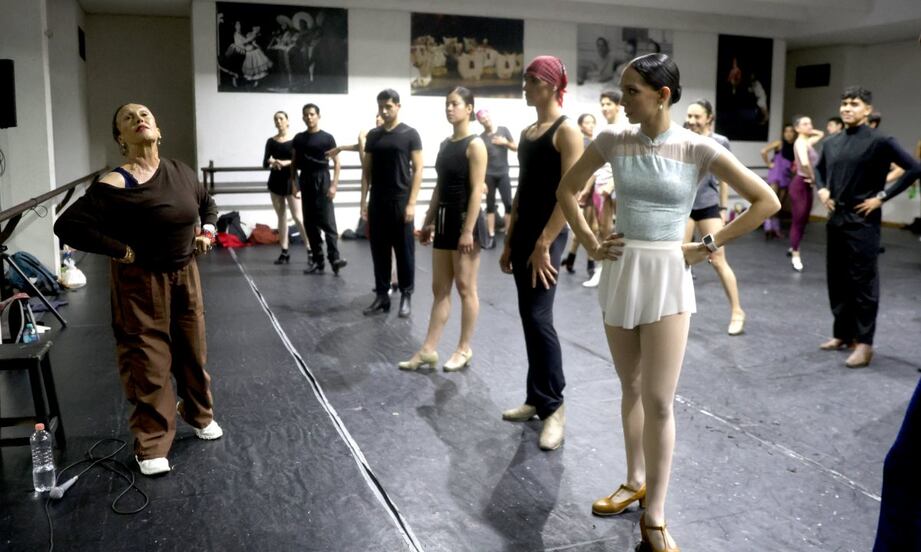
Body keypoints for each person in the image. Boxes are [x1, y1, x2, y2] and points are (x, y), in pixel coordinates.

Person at [556, 54, 779, 551]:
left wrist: (708, 246)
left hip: (668, 273)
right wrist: (591, 243)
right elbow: (567, 189)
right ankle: (635, 479)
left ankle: (654, 514)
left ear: (663, 95)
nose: (621, 99)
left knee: (659, 399)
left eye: (631, 91)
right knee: (629, 386)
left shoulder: (696, 146)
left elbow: (767, 200)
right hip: (621, 267)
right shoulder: (613, 139)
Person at [54, 103, 224, 476]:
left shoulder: (179, 171)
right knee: (148, 360)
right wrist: (121, 250)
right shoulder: (116, 183)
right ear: (121, 138)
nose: (139, 119)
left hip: (185, 274)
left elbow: (208, 205)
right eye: (128, 119)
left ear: (157, 129)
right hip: (142, 281)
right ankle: (151, 443)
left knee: (193, 351)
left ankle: (197, 414)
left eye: (145, 114)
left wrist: (206, 231)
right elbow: (68, 225)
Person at [499, 55, 583, 452]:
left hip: (548, 236)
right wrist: (510, 238)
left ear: (550, 85)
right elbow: (522, 190)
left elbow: (572, 195)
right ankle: (536, 398)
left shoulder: (567, 132)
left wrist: (544, 243)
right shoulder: (529, 131)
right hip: (525, 236)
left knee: (538, 316)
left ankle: (554, 406)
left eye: (531, 80)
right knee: (528, 318)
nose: (525, 86)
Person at [814, 86, 921, 368]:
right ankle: (842, 334)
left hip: (863, 222)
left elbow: (914, 168)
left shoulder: (880, 140)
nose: (847, 108)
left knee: (863, 284)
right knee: (837, 280)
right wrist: (822, 190)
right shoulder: (832, 142)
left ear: (867, 110)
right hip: (836, 219)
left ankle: (864, 344)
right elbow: (819, 169)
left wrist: (881, 197)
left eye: (855, 104)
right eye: (845, 103)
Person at [398, 87, 487, 372]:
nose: (449, 108)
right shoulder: (445, 144)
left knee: (465, 288)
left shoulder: (476, 145)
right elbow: (439, 186)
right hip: (446, 221)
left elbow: (476, 192)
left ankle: (464, 348)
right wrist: (428, 221)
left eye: (455, 104)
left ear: (469, 108)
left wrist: (468, 230)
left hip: (465, 221)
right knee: (440, 290)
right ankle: (428, 350)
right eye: (447, 104)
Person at [684, 99, 746, 335]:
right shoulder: (683, 137)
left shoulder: (720, 142)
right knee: (680, 259)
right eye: (689, 116)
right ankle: (677, 313)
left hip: (708, 206)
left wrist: (722, 208)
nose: (691, 121)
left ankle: (737, 311)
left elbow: (725, 177)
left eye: (697, 117)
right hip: (684, 207)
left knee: (718, 260)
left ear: (709, 117)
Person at [361, 89, 424, 317]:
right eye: (381, 107)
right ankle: (381, 296)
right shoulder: (373, 135)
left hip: (401, 200)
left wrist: (412, 203)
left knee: (404, 251)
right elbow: (366, 172)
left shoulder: (410, 134)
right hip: (378, 200)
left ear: (398, 106)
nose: (384, 111)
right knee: (379, 250)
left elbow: (418, 170)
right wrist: (363, 202)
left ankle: (406, 295)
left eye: (388, 106)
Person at [292, 103, 347, 275]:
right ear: (303, 117)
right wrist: (294, 185)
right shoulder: (299, 139)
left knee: (329, 224)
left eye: (312, 114)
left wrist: (334, 185)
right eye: (306, 115)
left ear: (318, 116)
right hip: (306, 179)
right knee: (310, 224)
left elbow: (337, 163)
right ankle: (318, 261)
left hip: (323, 179)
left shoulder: (327, 138)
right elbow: (293, 165)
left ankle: (335, 259)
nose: (309, 117)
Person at [580, 89, 626, 288]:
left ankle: (618, 272)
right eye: (603, 104)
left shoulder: (625, 129)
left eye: (609, 104)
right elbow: (596, 165)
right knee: (601, 231)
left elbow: (625, 163)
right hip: (601, 185)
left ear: (618, 106)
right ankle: (601, 272)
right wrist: (587, 188)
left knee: (624, 230)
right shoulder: (601, 131)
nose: (605, 108)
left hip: (618, 187)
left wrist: (612, 184)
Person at [263, 111, 309, 265]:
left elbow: (301, 161)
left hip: (291, 181)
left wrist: (285, 162)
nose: (278, 121)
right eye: (276, 119)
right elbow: (264, 162)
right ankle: (284, 251)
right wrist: (272, 162)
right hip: (275, 181)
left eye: (281, 118)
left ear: (287, 121)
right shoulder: (271, 141)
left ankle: (310, 249)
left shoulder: (296, 140)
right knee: (281, 216)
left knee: (298, 217)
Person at [561, 113, 598, 275]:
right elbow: (591, 170)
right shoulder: (585, 143)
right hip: (586, 189)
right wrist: (585, 190)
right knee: (591, 228)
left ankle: (571, 258)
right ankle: (590, 263)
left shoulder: (592, 141)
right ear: (581, 125)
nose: (590, 125)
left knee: (587, 227)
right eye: (586, 122)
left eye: (592, 122)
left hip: (591, 189)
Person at [476, 109, 516, 249]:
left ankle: (507, 234)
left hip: (503, 173)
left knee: (509, 204)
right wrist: (481, 181)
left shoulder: (503, 130)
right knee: (490, 205)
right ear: (480, 122)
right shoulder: (481, 138)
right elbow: (480, 161)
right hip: (489, 175)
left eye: (486, 117)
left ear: (490, 116)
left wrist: (504, 142)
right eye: (482, 119)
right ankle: (491, 235)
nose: (485, 120)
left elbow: (515, 147)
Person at [788, 115, 823, 272]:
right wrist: (814, 178)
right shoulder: (800, 143)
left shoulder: (807, 141)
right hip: (801, 184)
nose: (810, 125)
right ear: (797, 128)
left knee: (803, 221)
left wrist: (808, 130)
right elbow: (804, 162)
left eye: (810, 122)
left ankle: (794, 245)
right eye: (805, 124)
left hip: (806, 185)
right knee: (798, 220)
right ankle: (796, 255)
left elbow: (821, 134)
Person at [760, 124, 796, 239]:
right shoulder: (779, 144)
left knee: (779, 204)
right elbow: (763, 151)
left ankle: (775, 229)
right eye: (786, 131)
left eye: (791, 131)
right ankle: (768, 227)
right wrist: (769, 164)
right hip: (776, 175)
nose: (789, 134)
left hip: (786, 177)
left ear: (794, 134)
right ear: (783, 133)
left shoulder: (795, 147)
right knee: (772, 202)